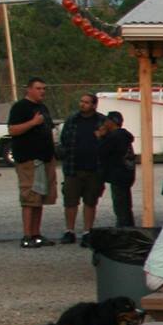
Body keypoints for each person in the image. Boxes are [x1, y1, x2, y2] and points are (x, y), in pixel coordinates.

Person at [6, 77, 55, 248]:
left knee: (39, 198)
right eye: (38, 88)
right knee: (29, 197)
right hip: (28, 160)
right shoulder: (20, 107)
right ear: (29, 89)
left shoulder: (42, 107)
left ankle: (36, 234)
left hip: (45, 159)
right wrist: (33, 123)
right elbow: (12, 130)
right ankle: (27, 236)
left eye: (44, 88)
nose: (42, 91)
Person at [56, 89, 106, 242]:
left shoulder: (102, 121)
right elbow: (63, 140)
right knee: (70, 201)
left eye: (86, 102)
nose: (82, 104)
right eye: (81, 102)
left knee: (90, 201)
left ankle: (87, 232)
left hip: (95, 168)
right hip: (73, 168)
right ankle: (69, 231)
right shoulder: (72, 120)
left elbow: (109, 143)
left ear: (94, 105)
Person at [99, 110, 138, 228]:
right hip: (127, 174)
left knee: (120, 205)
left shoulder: (114, 137)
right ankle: (128, 227)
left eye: (107, 120)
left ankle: (123, 229)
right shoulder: (124, 136)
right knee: (126, 205)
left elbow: (102, 152)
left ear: (112, 122)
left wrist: (100, 137)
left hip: (118, 175)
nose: (104, 123)